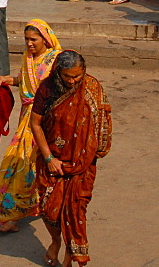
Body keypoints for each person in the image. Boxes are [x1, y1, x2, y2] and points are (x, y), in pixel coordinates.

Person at [32, 51, 112, 267]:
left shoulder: (92, 87)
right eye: (68, 76)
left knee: (75, 209)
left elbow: (102, 119)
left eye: (78, 76)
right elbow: (36, 124)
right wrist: (49, 158)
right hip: (52, 161)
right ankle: (55, 241)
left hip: (81, 164)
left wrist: (93, 152)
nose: (74, 81)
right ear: (59, 73)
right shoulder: (47, 89)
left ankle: (70, 254)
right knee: (49, 209)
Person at [0, 19, 62, 234]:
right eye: (26, 39)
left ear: (45, 39)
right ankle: (12, 213)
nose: (30, 43)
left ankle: (23, 210)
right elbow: (23, 82)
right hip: (27, 118)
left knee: (29, 163)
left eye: (34, 39)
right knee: (17, 162)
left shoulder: (55, 60)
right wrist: (5, 79)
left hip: (45, 120)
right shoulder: (28, 58)